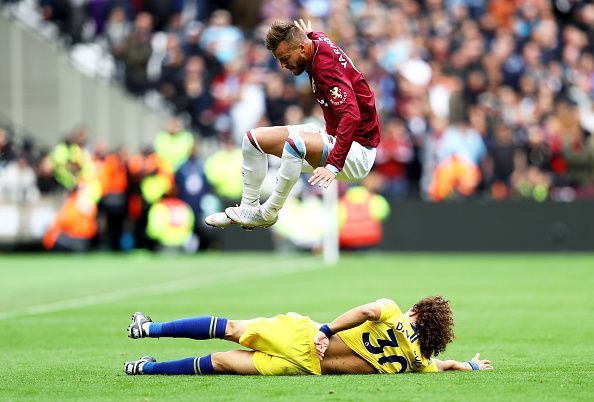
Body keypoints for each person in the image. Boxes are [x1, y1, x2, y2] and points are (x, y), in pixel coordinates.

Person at [205, 19, 381, 230]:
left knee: (296, 142)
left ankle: (268, 213)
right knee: (253, 139)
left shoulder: (326, 68)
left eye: (285, 58)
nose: (283, 66)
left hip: (356, 151)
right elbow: (320, 37)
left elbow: (351, 116)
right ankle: (248, 207)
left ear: (301, 47)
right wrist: (311, 33)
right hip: (333, 136)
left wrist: (334, 165)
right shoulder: (315, 44)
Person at [123, 296, 493, 376]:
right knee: (221, 364)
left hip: (302, 340)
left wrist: (325, 329)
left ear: (417, 312)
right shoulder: (418, 361)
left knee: (232, 330)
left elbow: (366, 311)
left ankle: (148, 329)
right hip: (306, 369)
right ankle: (145, 370)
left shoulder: (393, 311)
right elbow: (442, 365)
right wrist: (470, 366)